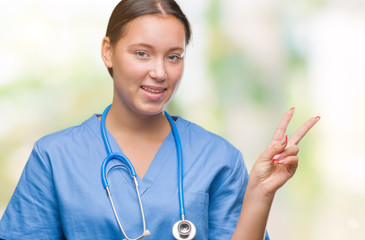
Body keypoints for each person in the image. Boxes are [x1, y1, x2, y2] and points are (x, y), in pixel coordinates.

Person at [0, 0, 319, 239]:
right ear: (108, 51)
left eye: (173, 56)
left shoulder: (217, 158)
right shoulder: (54, 158)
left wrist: (260, 194)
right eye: (142, 53)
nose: (160, 72)